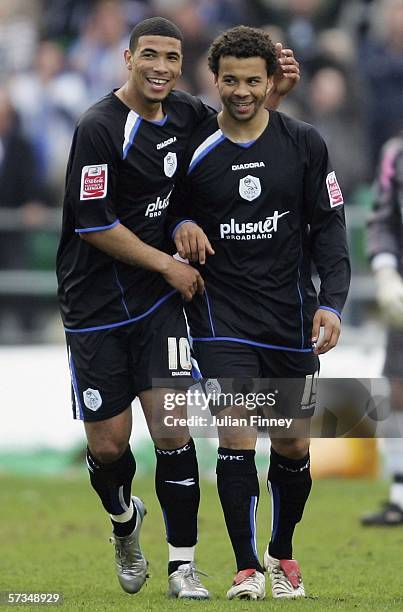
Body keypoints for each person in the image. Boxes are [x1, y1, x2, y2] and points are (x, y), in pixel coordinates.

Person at [56, 17, 300, 599]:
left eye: (171, 57)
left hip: (161, 306)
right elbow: (93, 224)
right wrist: (168, 261)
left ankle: (182, 565)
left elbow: (240, 131)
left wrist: (277, 92)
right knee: (109, 447)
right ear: (128, 58)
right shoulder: (98, 127)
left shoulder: (187, 112)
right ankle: (123, 522)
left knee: (173, 429)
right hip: (95, 310)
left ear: (181, 62)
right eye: (150, 56)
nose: (161, 68)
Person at [169, 25, 350, 600]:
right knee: (237, 434)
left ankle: (282, 553)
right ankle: (246, 566)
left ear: (272, 82)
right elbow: (165, 213)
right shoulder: (195, 149)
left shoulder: (304, 143)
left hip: (290, 313)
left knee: (294, 444)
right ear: (214, 79)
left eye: (252, 80)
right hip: (223, 317)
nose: (241, 91)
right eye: (230, 80)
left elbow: (329, 228)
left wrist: (332, 303)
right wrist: (180, 226)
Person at [364, 130, 403, 525]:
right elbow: (383, 216)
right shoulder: (396, 153)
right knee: (396, 389)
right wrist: (386, 269)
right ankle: (401, 494)